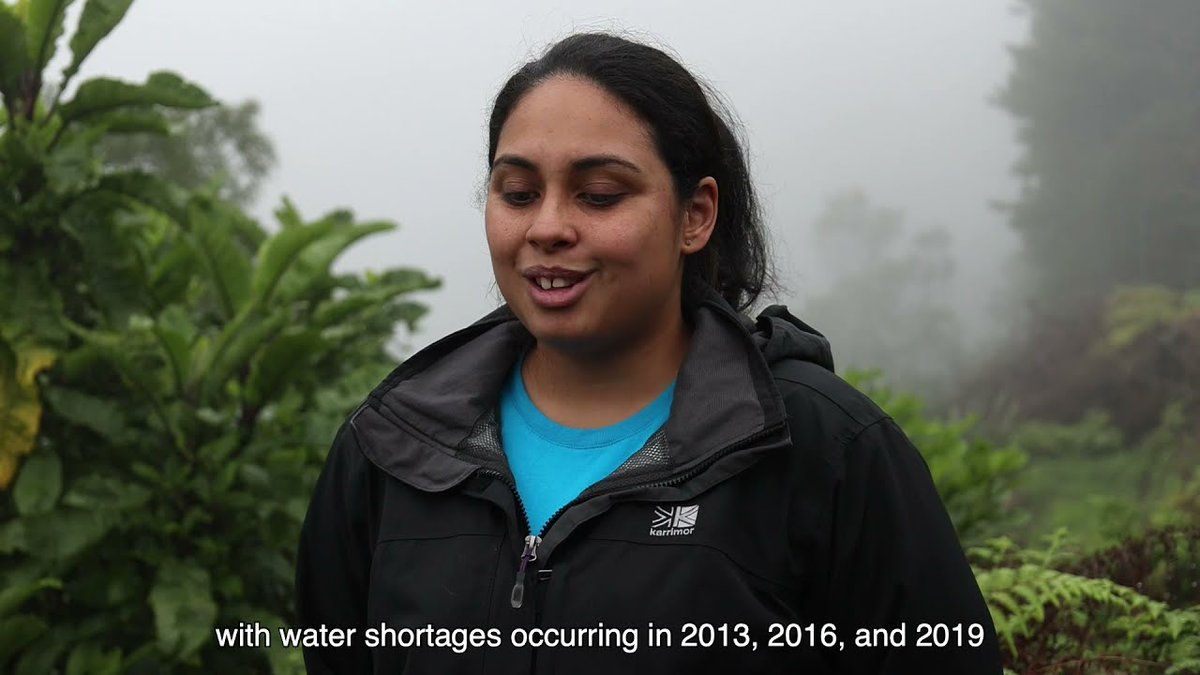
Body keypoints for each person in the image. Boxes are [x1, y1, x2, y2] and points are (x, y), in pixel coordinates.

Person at [295, 31, 1003, 674]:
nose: (547, 226)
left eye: (599, 195)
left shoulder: (824, 450)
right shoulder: (393, 449)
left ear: (695, 215)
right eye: (518, 192)